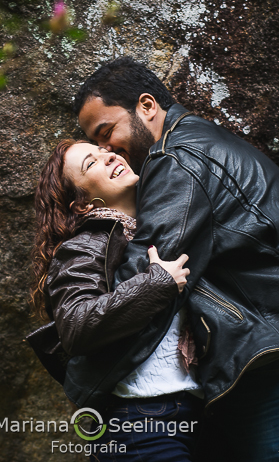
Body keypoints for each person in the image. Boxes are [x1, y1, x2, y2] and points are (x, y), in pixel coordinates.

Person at [73, 57, 279, 462]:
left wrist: (82, 359)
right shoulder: (203, 141)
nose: (107, 150)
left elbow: (147, 272)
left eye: (106, 132)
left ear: (146, 106)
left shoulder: (177, 159)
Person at [27, 139, 203, 461]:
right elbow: (76, 324)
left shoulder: (159, 225)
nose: (108, 157)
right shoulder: (83, 246)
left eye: (104, 151)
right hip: (138, 422)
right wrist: (157, 284)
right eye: (90, 163)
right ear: (82, 205)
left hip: (195, 411)